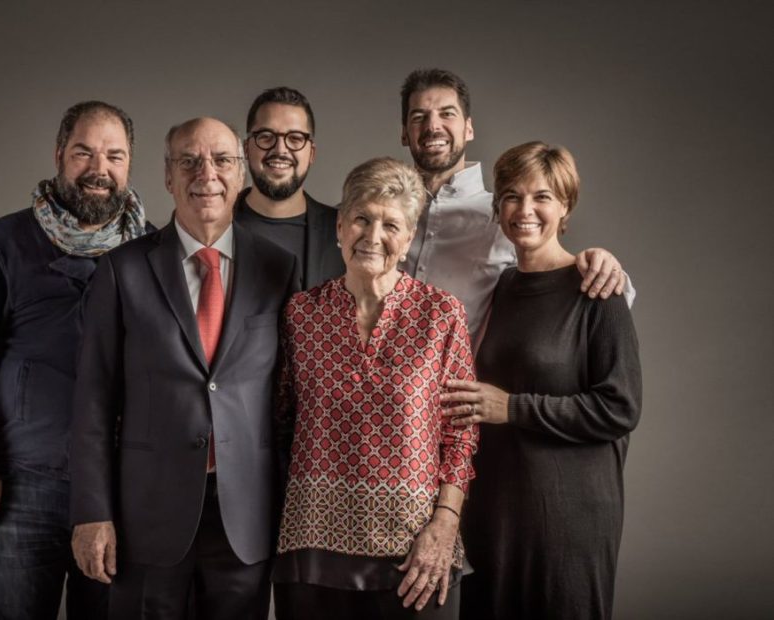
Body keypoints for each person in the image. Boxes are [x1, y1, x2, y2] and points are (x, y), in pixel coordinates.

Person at [69, 117, 300, 619]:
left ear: (241, 174)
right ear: (168, 176)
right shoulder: (121, 270)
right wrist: (92, 513)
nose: (206, 175)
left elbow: (290, 404)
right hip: (147, 516)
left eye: (221, 161)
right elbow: (91, 402)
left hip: (246, 515)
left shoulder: (278, 270)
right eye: (189, 161)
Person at [0, 100, 151, 619]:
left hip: (121, 488)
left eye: (115, 156)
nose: (100, 169)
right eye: (84, 152)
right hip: (23, 484)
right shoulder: (4, 243)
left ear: (129, 166)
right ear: (58, 155)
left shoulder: (151, 251)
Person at [272, 157, 478, 620]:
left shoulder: (442, 315)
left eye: (391, 224)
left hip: (415, 554)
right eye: (362, 218)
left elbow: (461, 435)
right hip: (311, 549)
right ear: (340, 227)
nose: (373, 235)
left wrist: (445, 523)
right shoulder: (301, 314)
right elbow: (280, 421)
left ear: (407, 240)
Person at [444, 142, 642, 619]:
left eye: (542, 197)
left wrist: (510, 407)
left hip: (569, 517)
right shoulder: (504, 287)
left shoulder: (597, 289)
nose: (524, 209)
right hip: (496, 509)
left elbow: (620, 407)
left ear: (566, 206)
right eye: (511, 196)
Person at [398, 68, 634, 337]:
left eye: (447, 114)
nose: (433, 126)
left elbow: (563, 281)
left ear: (469, 128)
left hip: (460, 377)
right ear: (404, 133)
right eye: (419, 117)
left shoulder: (506, 216)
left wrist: (606, 268)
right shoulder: (380, 215)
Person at [235, 86, 344, 289]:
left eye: (295, 138)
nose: (280, 150)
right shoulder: (214, 227)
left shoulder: (343, 232)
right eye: (266, 136)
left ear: (311, 153)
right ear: (246, 148)